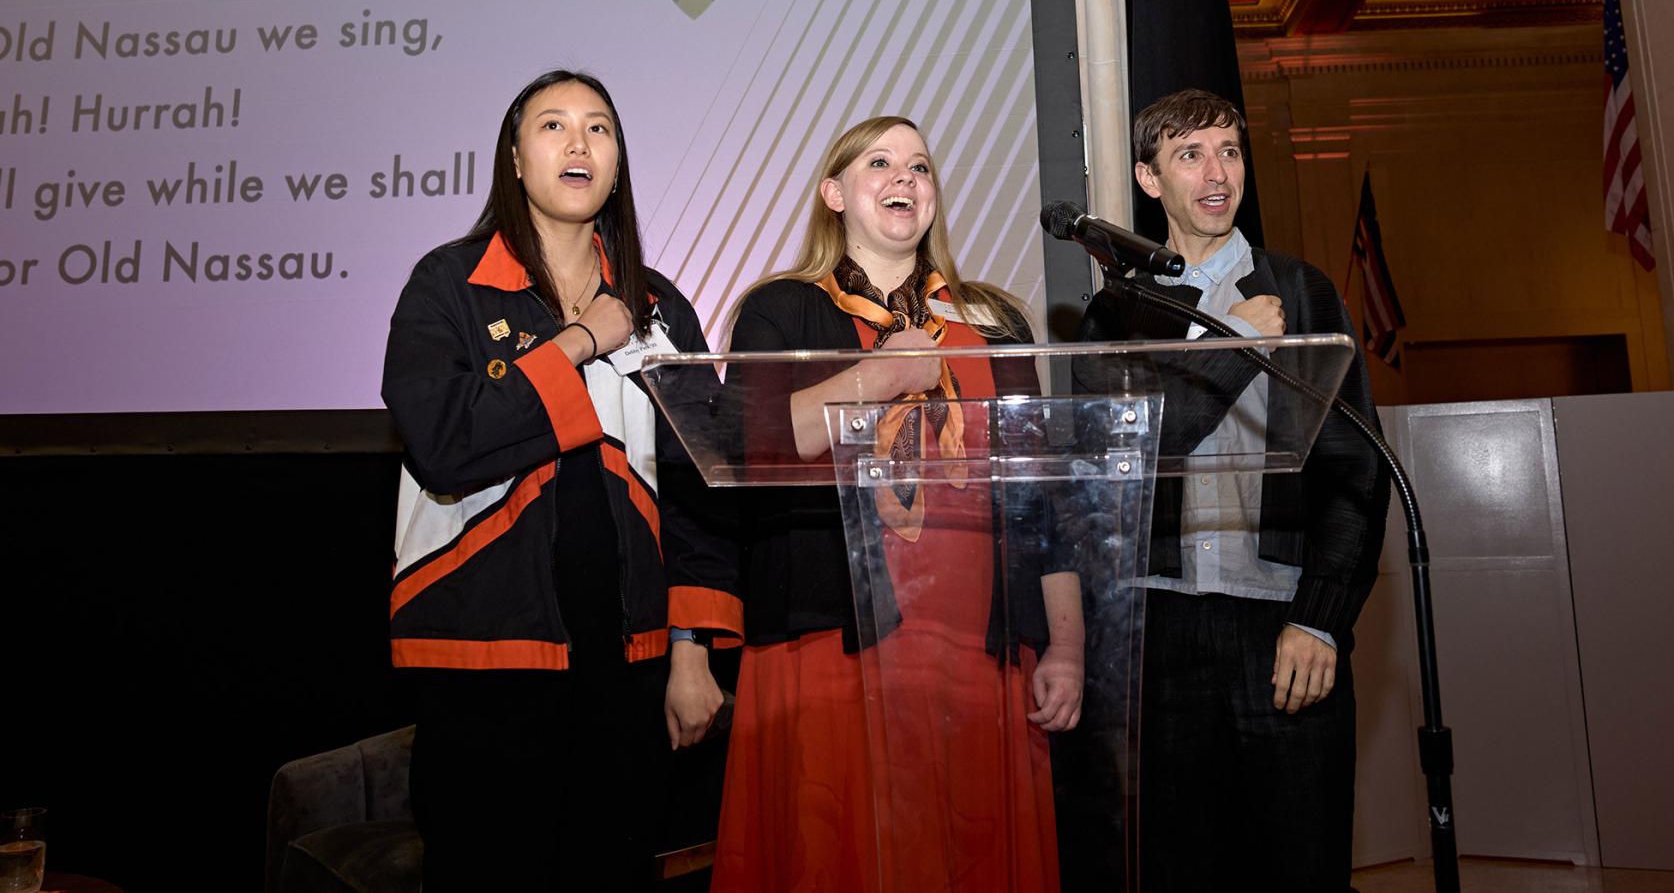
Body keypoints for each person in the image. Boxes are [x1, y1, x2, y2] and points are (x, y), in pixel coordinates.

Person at [381, 70, 740, 891]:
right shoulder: (448, 285)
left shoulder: (659, 307)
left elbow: (699, 493)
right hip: (481, 659)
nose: (579, 143)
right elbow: (441, 440)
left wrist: (691, 653)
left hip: (630, 667)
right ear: (514, 159)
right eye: (553, 126)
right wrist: (578, 340)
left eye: (600, 128)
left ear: (617, 162)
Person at [710, 116, 1084, 892]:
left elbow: (1040, 504)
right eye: (879, 162)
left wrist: (1067, 645)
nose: (904, 178)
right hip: (832, 652)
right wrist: (878, 377)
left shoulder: (992, 323)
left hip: (978, 656)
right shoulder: (782, 310)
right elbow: (751, 447)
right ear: (834, 193)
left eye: (919, 166)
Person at [1077, 89, 1388, 891]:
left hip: (1283, 625)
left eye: (1230, 152)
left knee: (1303, 863)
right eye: (1190, 155)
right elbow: (1135, 452)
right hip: (1156, 629)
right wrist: (1238, 343)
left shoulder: (1308, 291)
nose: (1217, 174)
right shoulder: (1118, 313)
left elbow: (1358, 469)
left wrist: (1321, 619)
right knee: (1177, 865)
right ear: (1150, 180)